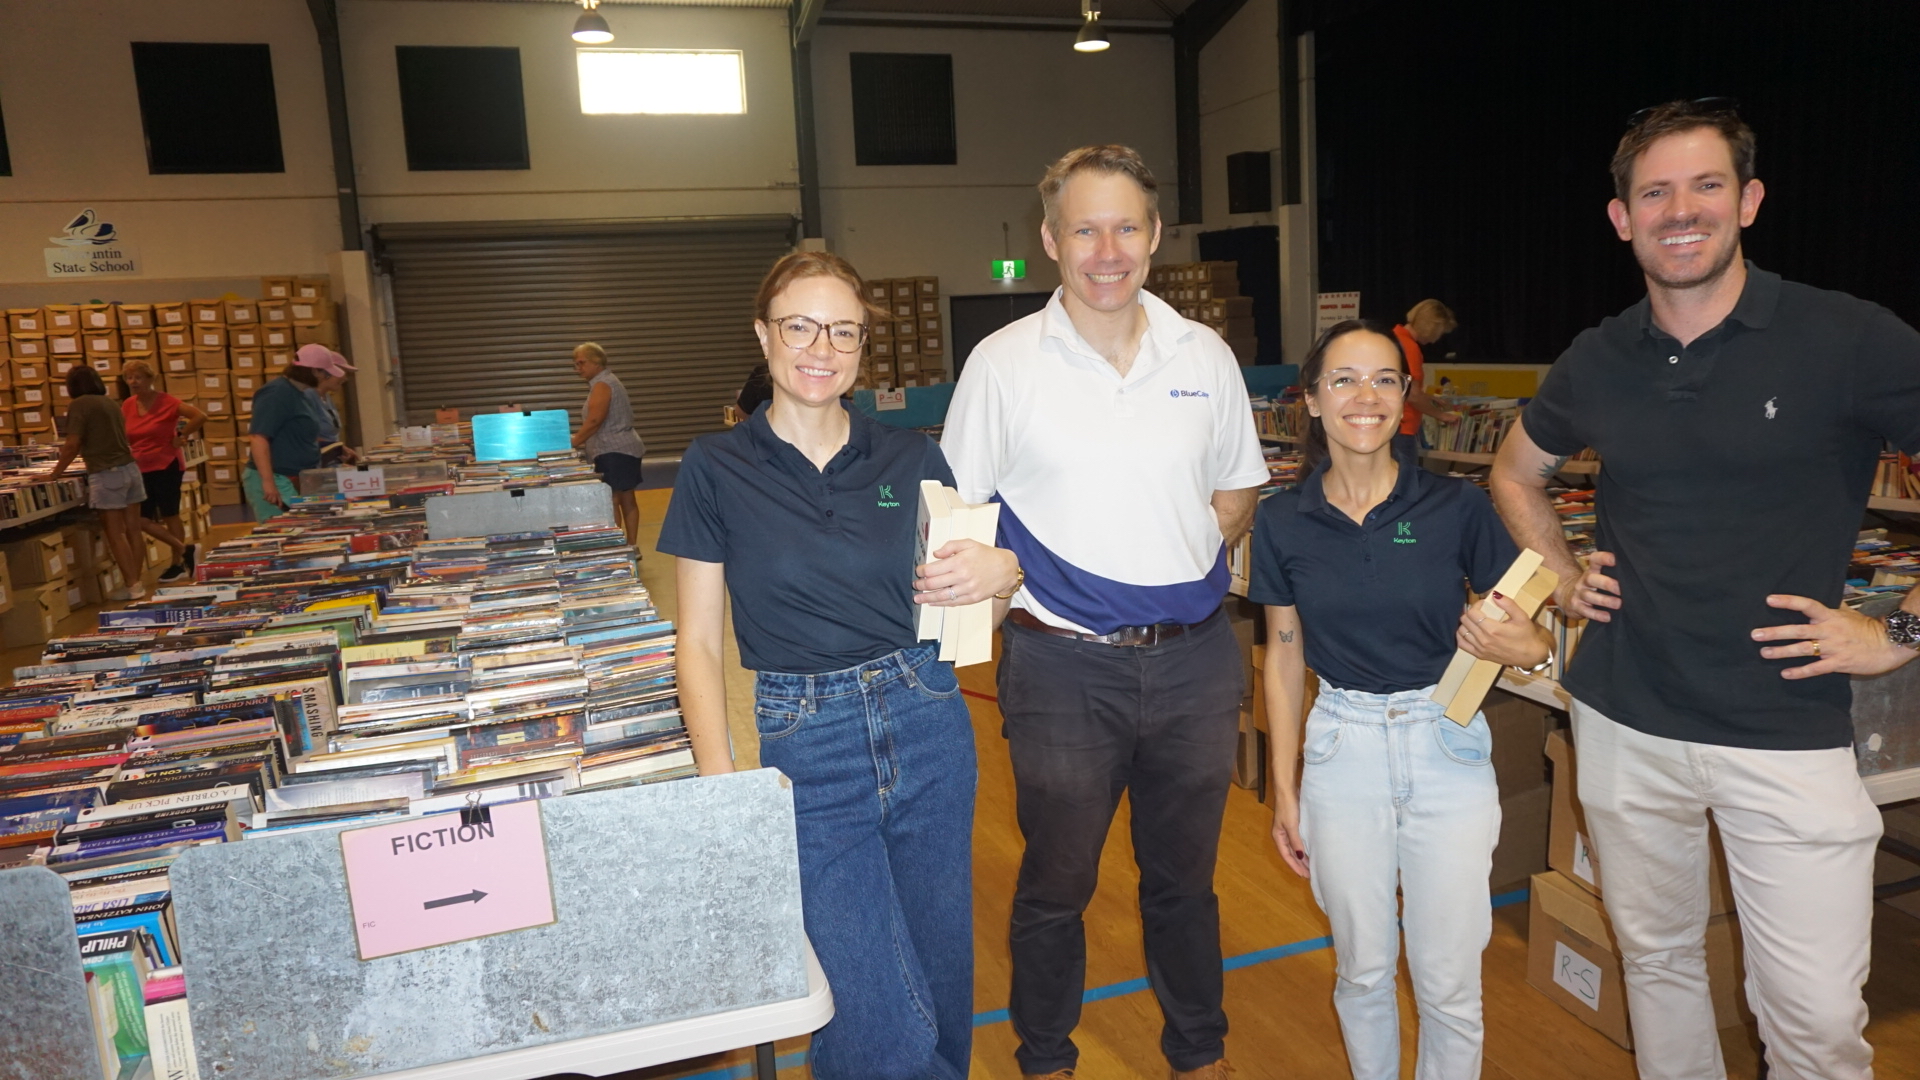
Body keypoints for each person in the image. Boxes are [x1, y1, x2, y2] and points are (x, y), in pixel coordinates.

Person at [1490, 99, 1920, 1080]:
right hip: (1627, 720)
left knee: (1811, 1020)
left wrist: (1898, 627)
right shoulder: (1598, 357)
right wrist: (1558, 573)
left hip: (1786, 733)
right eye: (1655, 192)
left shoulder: (1845, 338)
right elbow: (1516, 473)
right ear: (1622, 219)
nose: (1680, 209)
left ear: (1750, 200)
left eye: (1705, 185)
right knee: (1658, 964)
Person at [940, 144, 1268, 1080]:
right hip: (1062, 671)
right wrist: (1007, 569)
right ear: (1051, 241)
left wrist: (1163, 553)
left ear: (1156, 237)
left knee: (1184, 884)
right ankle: (1046, 1057)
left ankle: (1199, 1052)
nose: (1107, 249)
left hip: (1197, 665)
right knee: (1057, 882)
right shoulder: (1001, 366)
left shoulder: (1203, 355)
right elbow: (961, 520)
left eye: (1126, 226)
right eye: (1085, 228)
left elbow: (1239, 491)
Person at [657, 251, 1019, 1080]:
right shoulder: (716, 467)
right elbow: (700, 642)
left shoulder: (910, 458)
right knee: (873, 1013)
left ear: (862, 346)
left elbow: (965, 618)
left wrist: (1006, 579)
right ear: (764, 334)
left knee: (939, 974)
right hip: (805, 741)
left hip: (926, 716)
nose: (821, 347)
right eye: (800, 326)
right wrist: (722, 782)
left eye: (843, 330)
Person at [1251, 320, 1550, 1080]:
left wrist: (1522, 647)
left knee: (1449, 982)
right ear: (1312, 400)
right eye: (1344, 380)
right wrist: (1284, 790)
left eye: (1385, 379)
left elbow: (1532, 635)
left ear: (1405, 398)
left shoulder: (1456, 507)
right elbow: (1283, 657)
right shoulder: (1281, 520)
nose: (1366, 397)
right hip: (1341, 750)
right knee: (1362, 971)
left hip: (1445, 744)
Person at [48, 367, 150, 601]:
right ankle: (137, 583)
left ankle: (132, 585)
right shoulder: (110, 403)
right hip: (130, 469)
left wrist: (55, 474)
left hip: (107, 472)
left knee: (115, 533)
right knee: (133, 529)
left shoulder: (79, 405)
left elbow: (73, 443)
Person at [118, 358, 204, 582]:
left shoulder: (167, 401)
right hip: (139, 467)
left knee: (170, 513)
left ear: (149, 379)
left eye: (138, 377)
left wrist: (182, 436)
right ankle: (185, 550)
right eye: (129, 378)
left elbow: (199, 416)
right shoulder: (128, 405)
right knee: (140, 519)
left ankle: (176, 564)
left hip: (166, 464)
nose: (133, 381)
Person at [570, 342, 646, 549]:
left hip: (614, 450)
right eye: (575, 365)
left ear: (597, 361)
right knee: (626, 498)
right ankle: (630, 545)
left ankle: (619, 547)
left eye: (581, 363)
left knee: (613, 499)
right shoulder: (606, 382)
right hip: (623, 449)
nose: (578, 369)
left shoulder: (603, 384)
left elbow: (595, 420)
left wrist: (574, 442)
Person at [244, 360, 326, 522]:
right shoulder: (275, 393)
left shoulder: (300, 394)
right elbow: (258, 437)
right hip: (276, 478)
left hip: (293, 477)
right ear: (314, 371)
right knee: (283, 530)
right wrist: (268, 482)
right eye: (325, 374)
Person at [1395, 299, 1462, 439]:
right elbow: (1412, 395)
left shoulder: (1393, 337)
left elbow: (1399, 387)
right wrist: (1441, 415)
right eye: (1440, 332)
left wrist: (1426, 397)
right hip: (1403, 426)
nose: (1437, 339)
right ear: (1432, 327)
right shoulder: (1410, 347)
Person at [293, 344, 358, 464]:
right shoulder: (308, 396)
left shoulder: (326, 397)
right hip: (316, 464)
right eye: (343, 372)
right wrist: (337, 449)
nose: (345, 378)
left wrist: (341, 450)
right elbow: (305, 435)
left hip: (331, 462)